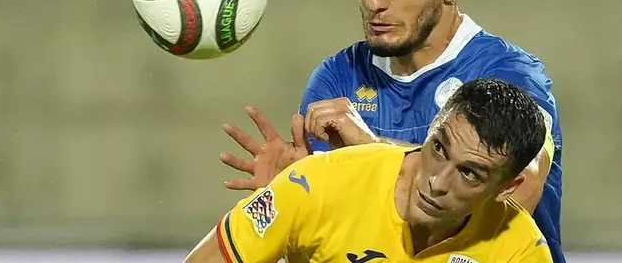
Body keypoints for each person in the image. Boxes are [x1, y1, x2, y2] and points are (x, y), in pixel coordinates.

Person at [218, 0, 564, 262]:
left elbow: (519, 195)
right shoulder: (338, 77)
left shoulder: (508, 76)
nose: (374, 1)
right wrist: (291, 200)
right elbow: (340, 232)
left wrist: (370, 153)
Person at [185, 78, 553, 263]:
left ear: (508, 186)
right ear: (430, 131)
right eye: (438, 148)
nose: (438, 182)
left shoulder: (519, 250)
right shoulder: (318, 184)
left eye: (470, 173)